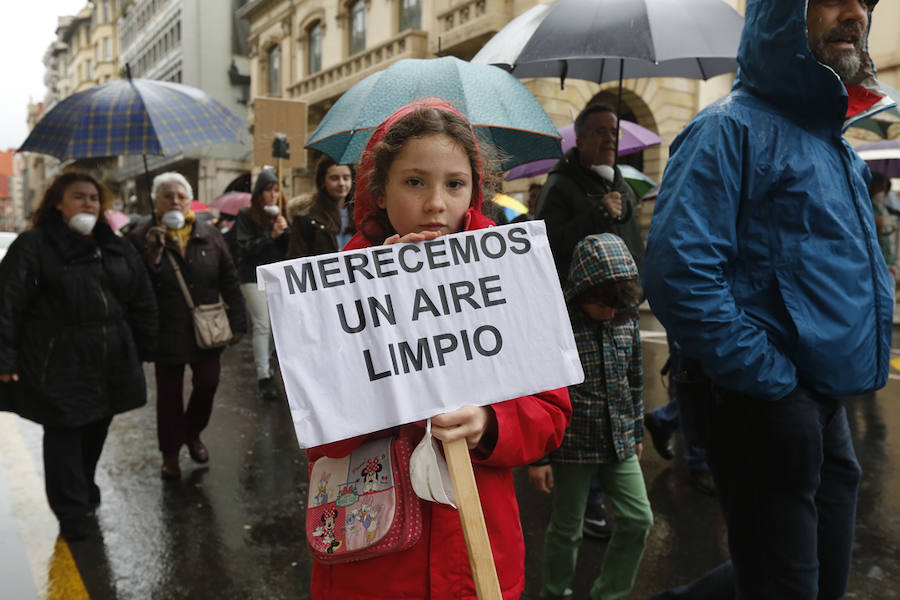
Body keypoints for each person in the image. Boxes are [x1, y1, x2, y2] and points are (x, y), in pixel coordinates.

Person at [642, 1, 894, 598]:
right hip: (766, 403)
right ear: (785, 12)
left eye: (865, 1)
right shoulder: (726, 129)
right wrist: (772, 381)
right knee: (787, 584)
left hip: (822, 399)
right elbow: (679, 272)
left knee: (806, 579)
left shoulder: (832, 143)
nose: (855, 14)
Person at [306, 98, 572, 600]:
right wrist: (379, 307)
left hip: (475, 554)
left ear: (474, 189)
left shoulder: (507, 272)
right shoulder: (340, 285)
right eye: (414, 182)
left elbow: (551, 411)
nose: (435, 204)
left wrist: (489, 424)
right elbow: (320, 440)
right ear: (380, 192)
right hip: (372, 562)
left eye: (454, 184)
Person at [0, 172, 158, 540]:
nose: (88, 203)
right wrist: (4, 359)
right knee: (65, 433)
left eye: (93, 198)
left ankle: (83, 485)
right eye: (78, 196)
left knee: (96, 427)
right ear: (58, 202)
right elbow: (7, 303)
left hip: (111, 358)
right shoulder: (35, 245)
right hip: (59, 360)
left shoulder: (115, 245)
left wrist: (145, 344)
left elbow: (141, 297)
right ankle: (70, 511)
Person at [529, 233, 653, 600]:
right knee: (567, 529)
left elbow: (635, 380)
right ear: (584, 290)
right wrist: (540, 457)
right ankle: (554, 592)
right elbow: (540, 391)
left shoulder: (625, 319)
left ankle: (610, 594)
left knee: (639, 519)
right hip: (571, 445)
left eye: (618, 306)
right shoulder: (557, 326)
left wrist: (636, 432)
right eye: (603, 305)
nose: (611, 313)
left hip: (620, 441)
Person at [128, 172, 247, 479]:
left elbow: (229, 278)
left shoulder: (208, 232)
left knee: (208, 383)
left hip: (206, 326)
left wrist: (238, 321)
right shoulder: (142, 236)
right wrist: (152, 252)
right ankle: (170, 454)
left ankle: (192, 433)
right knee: (168, 396)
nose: (175, 201)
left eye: (181, 195)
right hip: (164, 330)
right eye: (167, 195)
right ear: (156, 201)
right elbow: (133, 285)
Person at [536, 103, 644, 279]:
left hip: (625, 300)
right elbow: (549, 246)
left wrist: (639, 288)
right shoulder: (558, 187)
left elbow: (635, 244)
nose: (610, 138)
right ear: (580, 142)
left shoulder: (624, 189)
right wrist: (600, 214)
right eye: (600, 132)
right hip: (583, 302)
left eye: (614, 132)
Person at [234, 168, 289, 400]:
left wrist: (284, 231)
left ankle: (269, 363)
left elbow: (285, 250)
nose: (273, 195)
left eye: (276, 191)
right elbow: (245, 248)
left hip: (274, 277)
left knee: (275, 326)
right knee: (262, 325)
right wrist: (270, 235)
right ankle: (263, 376)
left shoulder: (277, 216)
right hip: (252, 277)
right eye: (268, 191)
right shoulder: (246, 215)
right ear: (258, 194)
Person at [286, 155, 355, 258]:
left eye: (346, 178)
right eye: (334, 178)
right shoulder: (306, 218)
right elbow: (296, 261)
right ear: (322, 180)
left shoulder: (361, 214)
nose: (341, 183)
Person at [869, 170, 897, 281]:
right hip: (876, 265)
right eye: (880, 188)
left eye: (884, 189)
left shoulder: (882, 207)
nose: (882, 192)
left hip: (888, 264)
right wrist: (874, 221)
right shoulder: (867, 207)